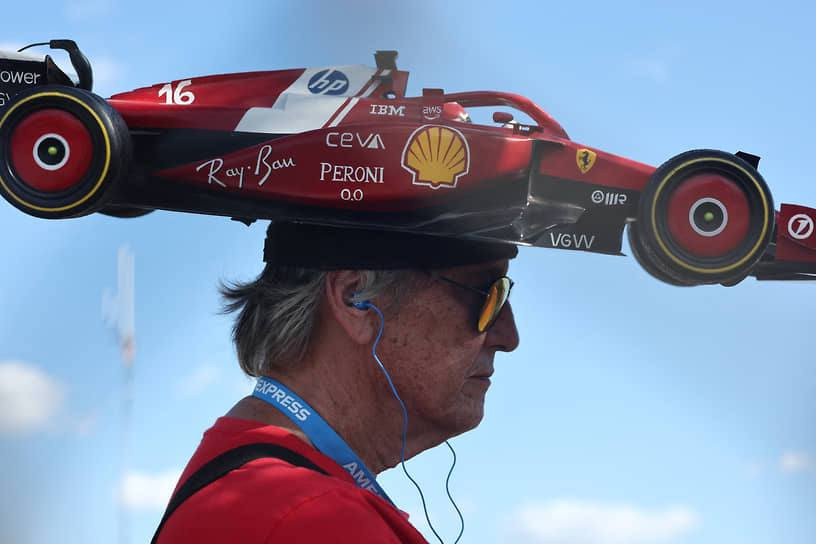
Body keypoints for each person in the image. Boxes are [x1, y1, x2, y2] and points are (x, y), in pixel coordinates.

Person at [153, 222, 521, 544]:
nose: (509, 336)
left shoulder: (261, 488)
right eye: (486, 296)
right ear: (355, 299)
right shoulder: (310, 519)